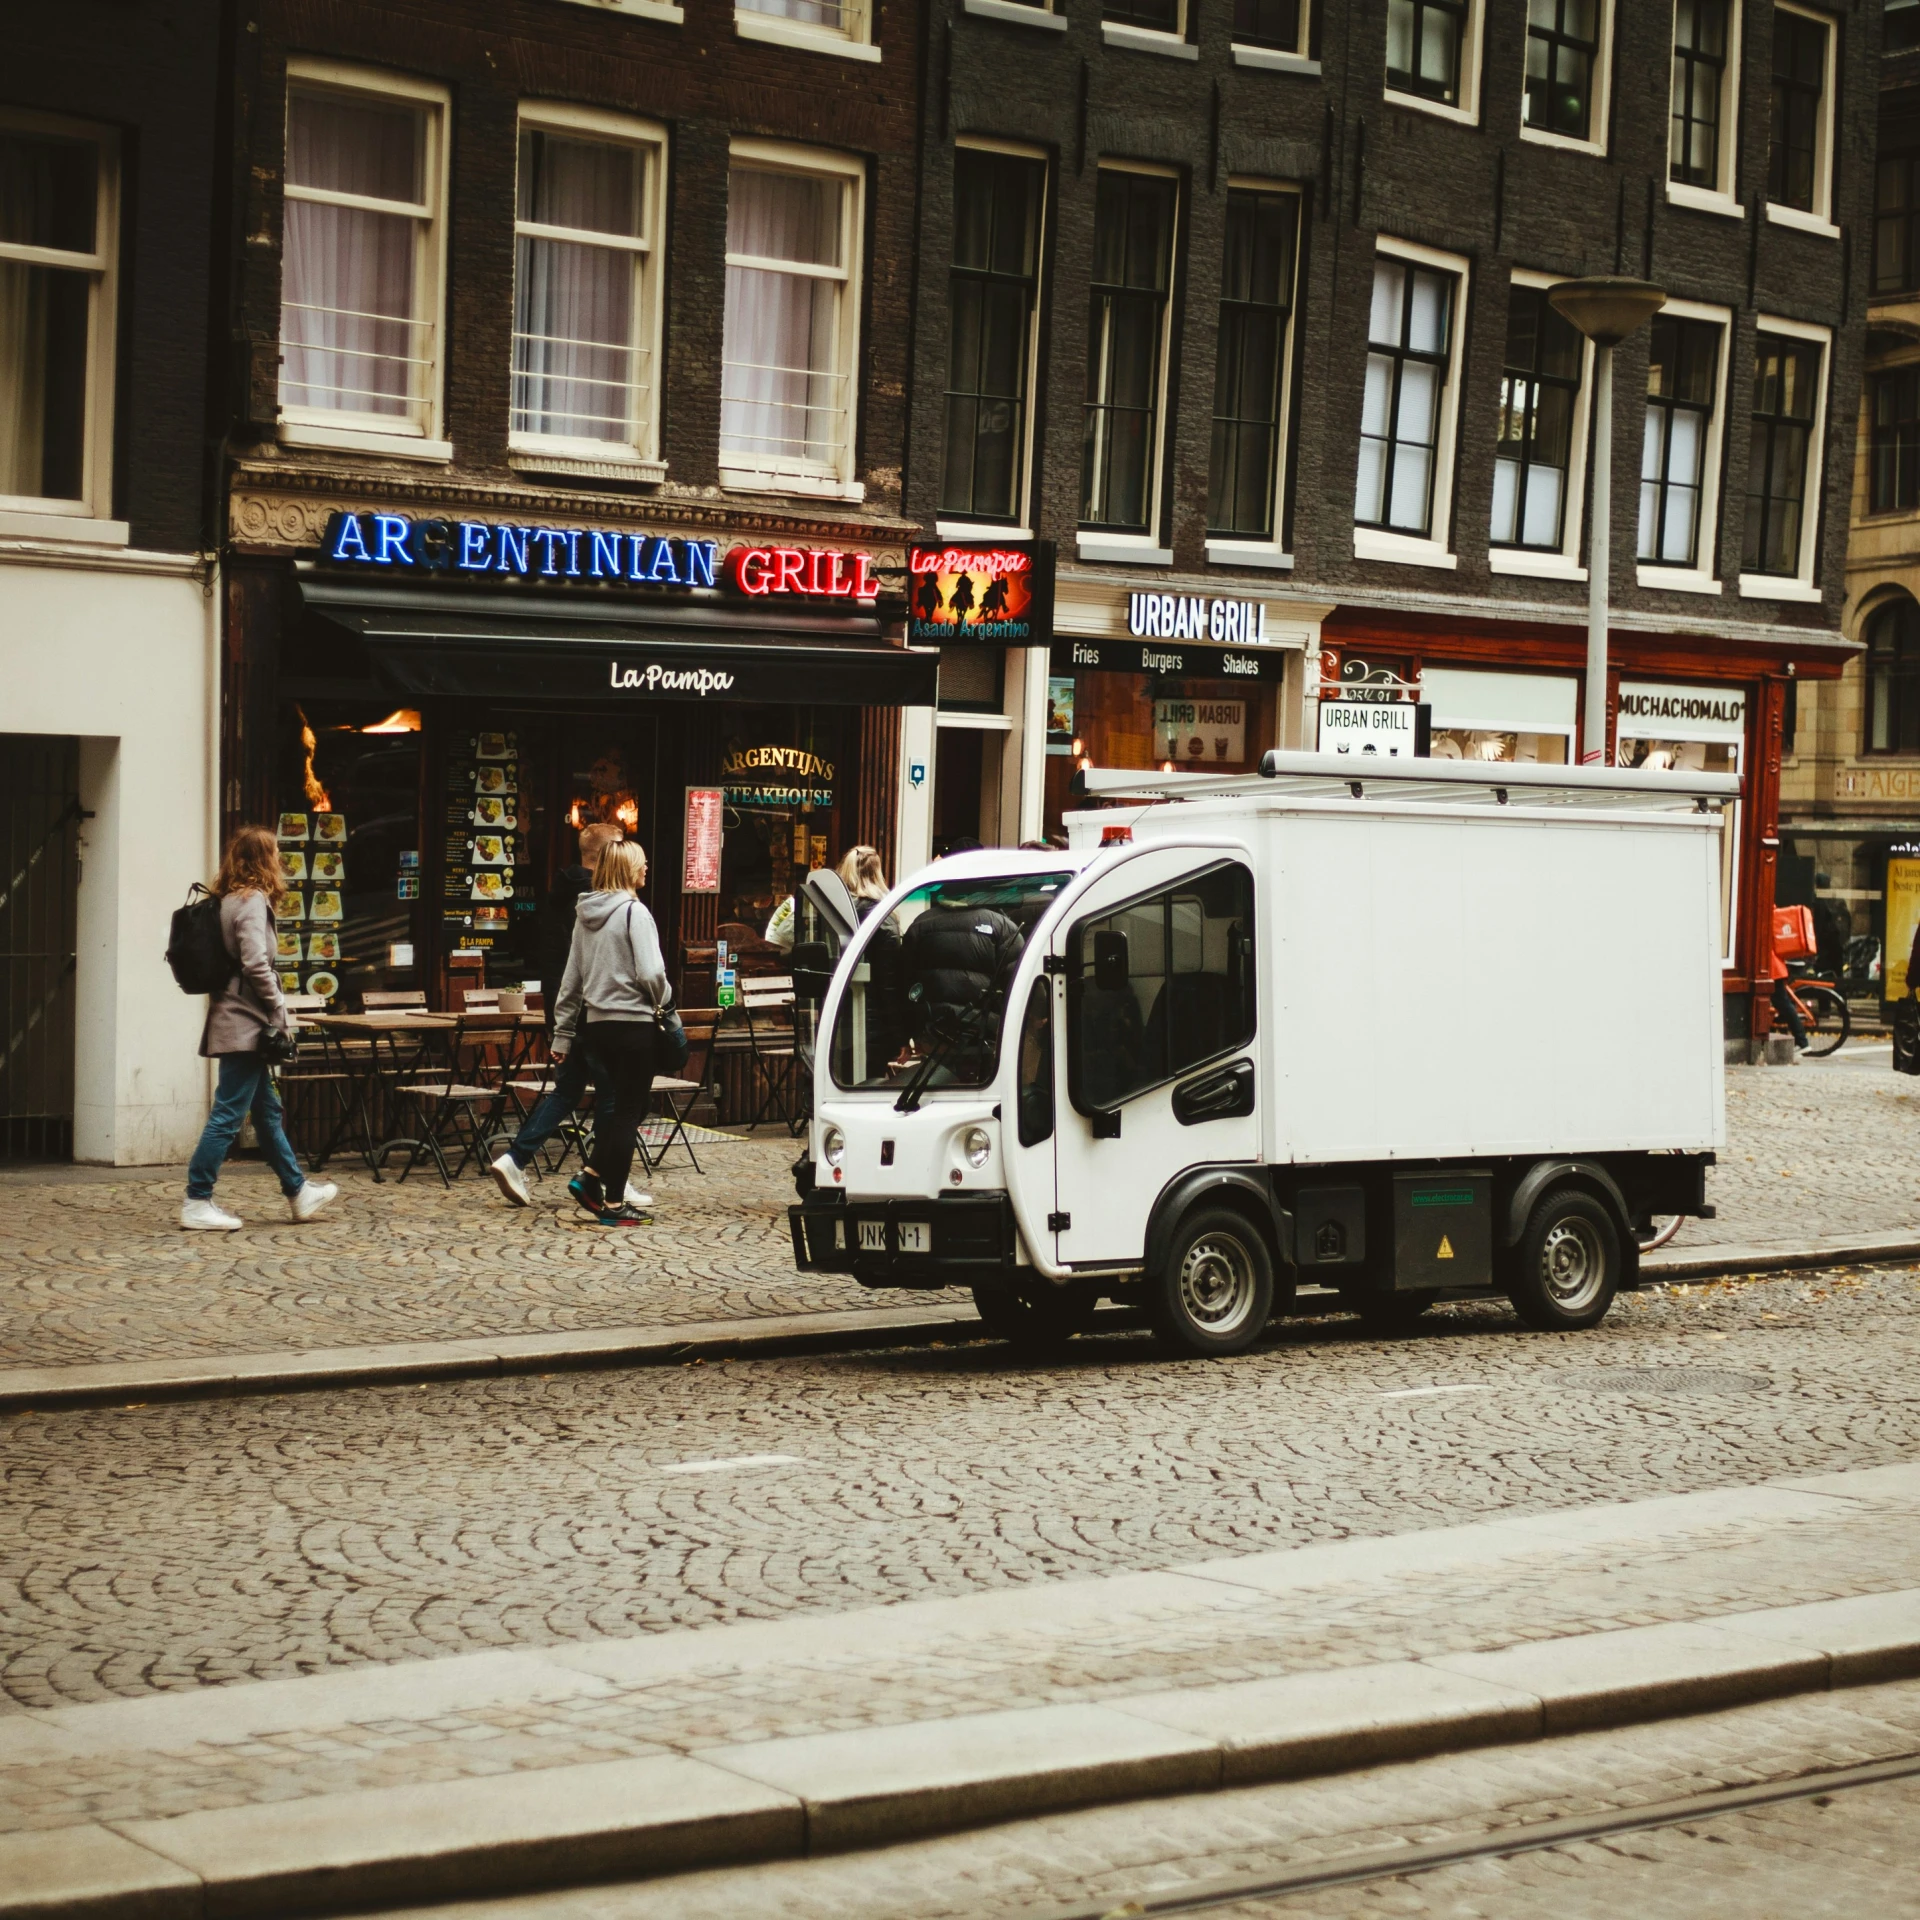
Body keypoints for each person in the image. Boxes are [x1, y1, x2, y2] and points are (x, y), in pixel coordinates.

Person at [181, 826, 339, 1230]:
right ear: (264, 860)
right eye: (276, 855)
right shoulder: (251, 902)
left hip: (237, 1019)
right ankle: (197, 1200)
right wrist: (279, 1006)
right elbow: (255, 964)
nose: (281, 862)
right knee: (227, 1116)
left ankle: (298, 1191)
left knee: (267, 1114)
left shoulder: (227, 900)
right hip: (246, 1025)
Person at [489, 821, 649, 1210]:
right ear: (607, 853)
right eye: (621, 848)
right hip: (594, 1013)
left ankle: (514, 1159)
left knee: (568, 1091)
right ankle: (612, 1179)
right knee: (616, 1097)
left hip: (566, 1008)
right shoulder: (601, 898)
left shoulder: (563, 895)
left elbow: (565, 968)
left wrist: (560, 1025)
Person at [550, 839, 673, 1226]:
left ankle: (590, 1179)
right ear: (628, 869)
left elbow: (571, 981)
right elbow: (651, 972)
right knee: (628, 1113)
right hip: (634, 1025)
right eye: (642, 862)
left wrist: (562, 1034)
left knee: (622, 1109)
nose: (647, 868)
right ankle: (614, 1204)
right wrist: (665, 1001)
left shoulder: (584, 915)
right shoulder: (634, 912)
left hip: (598, 1027)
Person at [1769, 929, 1808, 1052]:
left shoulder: (1768, 917)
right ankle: (1801, 1041)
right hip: (1775, 967)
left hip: (1772, 968)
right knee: (1782, 1004)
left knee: (1783, 1004)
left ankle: (1802, 1042)